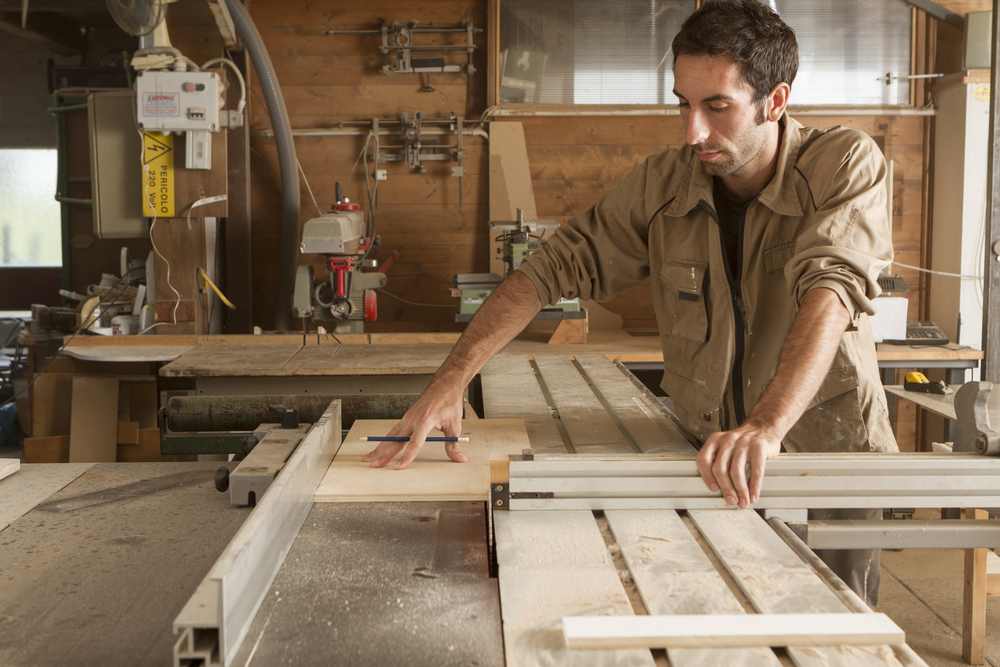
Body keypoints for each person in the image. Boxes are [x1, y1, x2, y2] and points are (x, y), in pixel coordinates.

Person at [362, 0, 897, 606]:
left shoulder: (842, 164)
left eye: (717, 107)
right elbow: (551, 266)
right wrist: (451, 382)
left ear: (775, 102)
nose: (692, 132)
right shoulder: (665, 184)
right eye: (682, 104)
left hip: (822, 459)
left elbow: (830, 290)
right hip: (712, 461)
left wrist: (766, 427)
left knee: (834, 626)